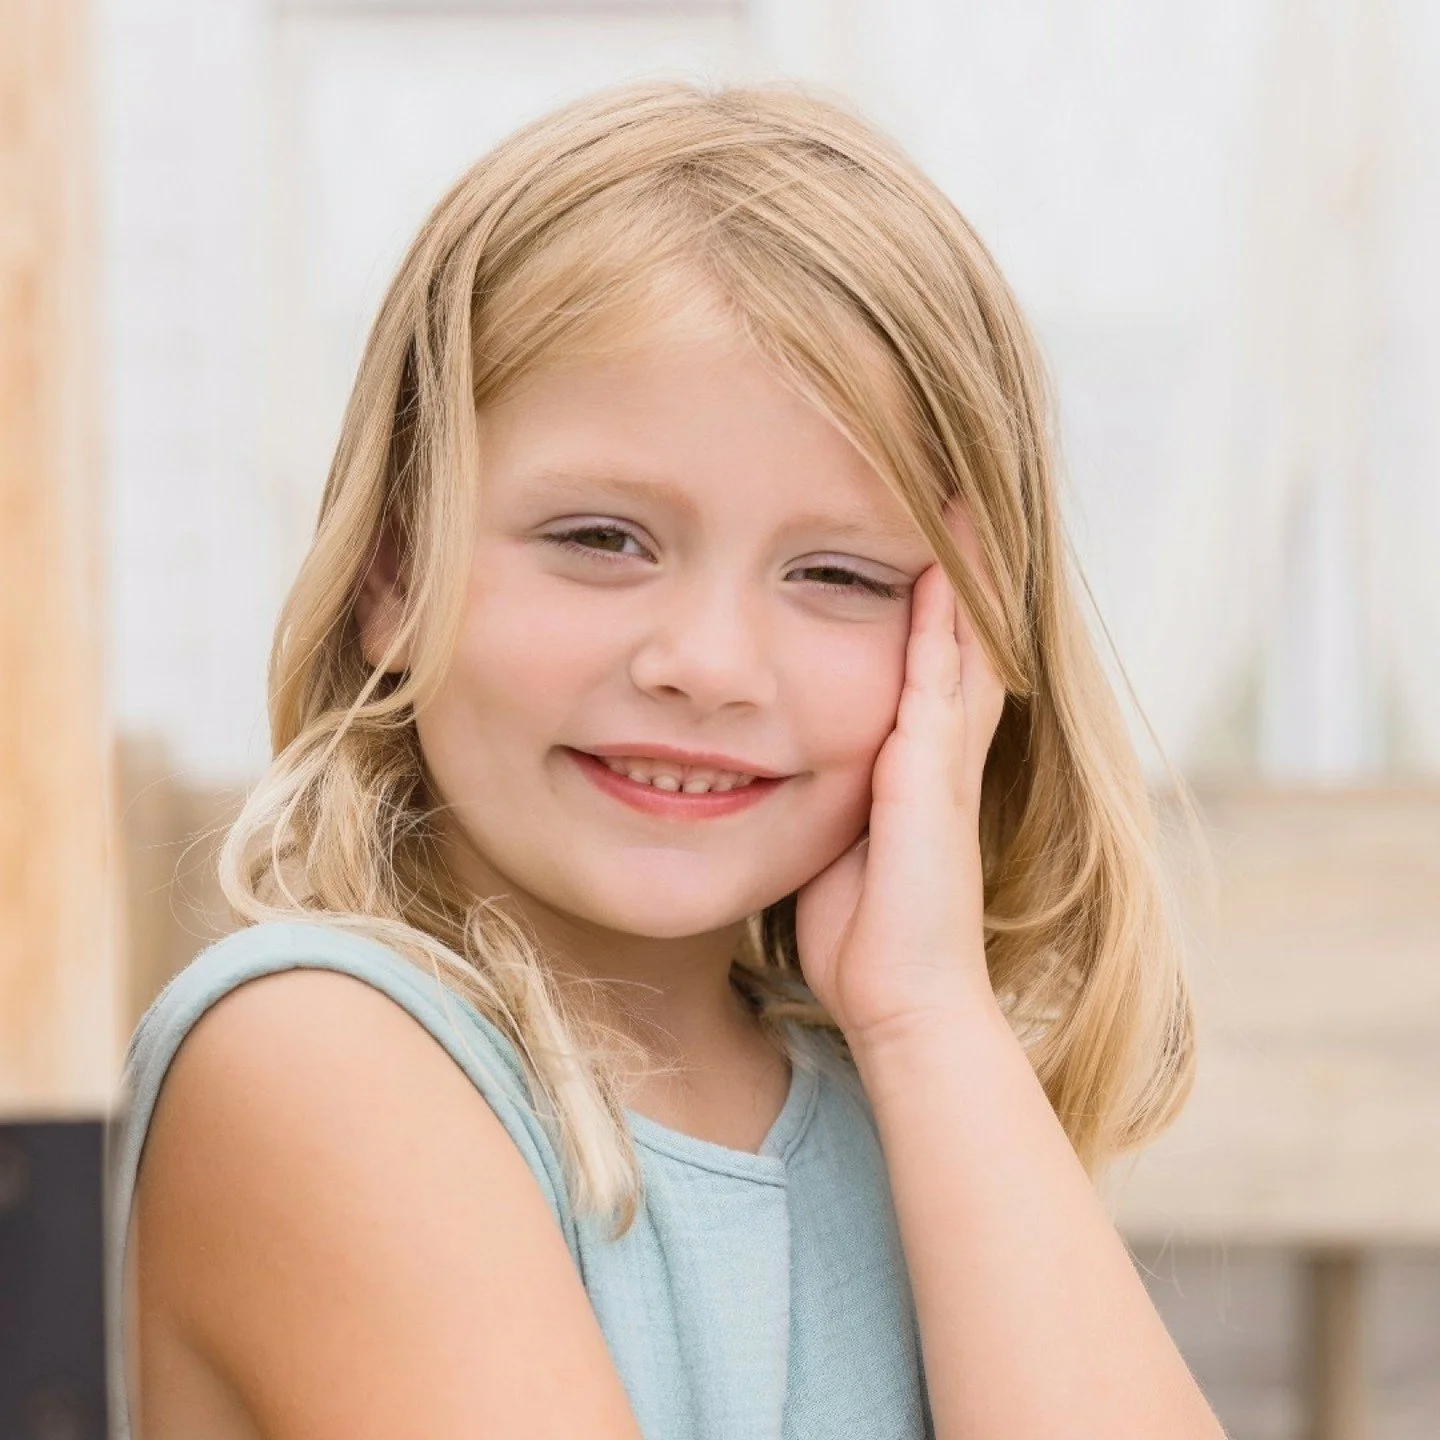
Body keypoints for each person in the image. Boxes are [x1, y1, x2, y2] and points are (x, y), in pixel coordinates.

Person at [105, 80, 1224, 1439]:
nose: (707, 661)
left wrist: (931, 1019)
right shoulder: (318, 1056)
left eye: (838, 574)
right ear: (396, 571)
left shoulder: (907, 1104)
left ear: (964, 648)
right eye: (599, 539)